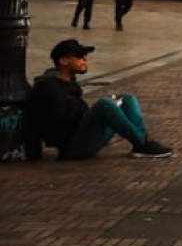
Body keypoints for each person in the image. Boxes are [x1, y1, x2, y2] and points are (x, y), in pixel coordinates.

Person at [23, 39, 173, 160]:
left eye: (85, 57)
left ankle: (140, 144)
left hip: (84, 137)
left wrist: (99, 115)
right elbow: (59, 123)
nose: (84, 61)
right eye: (80, 58)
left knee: (127, 99)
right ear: (63, 61)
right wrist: (95, 115)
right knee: (104, 104)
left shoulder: (69, 82)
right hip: (73, 147)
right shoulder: (49, 86)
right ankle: (142, 143)